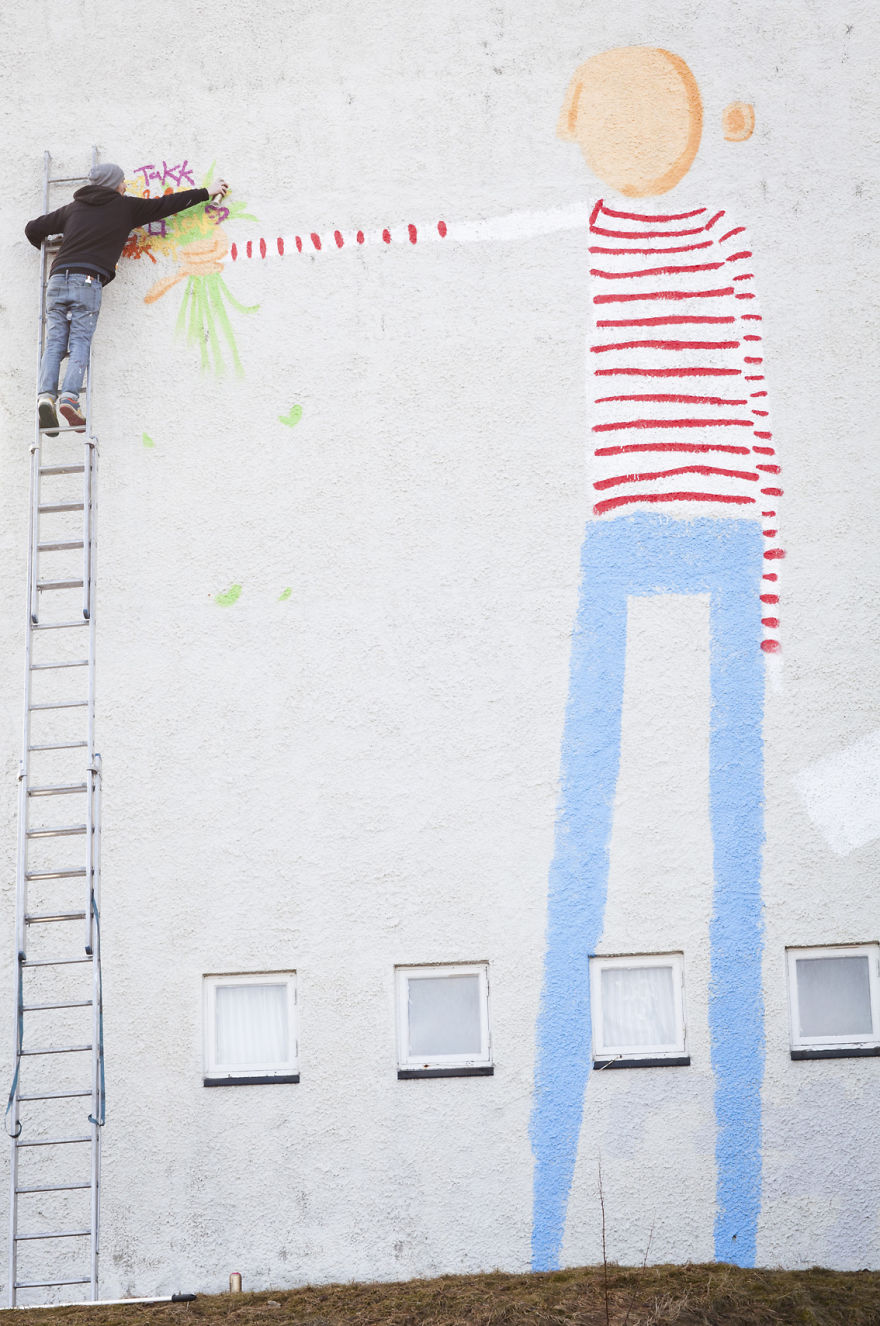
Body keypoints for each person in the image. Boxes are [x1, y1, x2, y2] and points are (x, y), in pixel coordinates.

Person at [529, 48, 780, 1274]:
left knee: (731, 868)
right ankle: (546, 1220)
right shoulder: (578, 232)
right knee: (587, 843)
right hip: (627, 539)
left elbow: (758, 409)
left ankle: (737, 1228)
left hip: (715, 538)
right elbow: (420, 231)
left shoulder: (725, 231)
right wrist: (233, 253)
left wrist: (774, 623)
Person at [25, 162, 228, 433]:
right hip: (87, 280)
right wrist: (207, 191)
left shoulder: (73, 209)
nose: (125, 186)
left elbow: (33, 229)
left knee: (55, 342)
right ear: (113, 184)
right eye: (122, 182)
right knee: (80, 340)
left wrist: (59, 246)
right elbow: (167, 204)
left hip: (57, 279)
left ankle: (46, 397)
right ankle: (70, 399)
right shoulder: (124, 207)